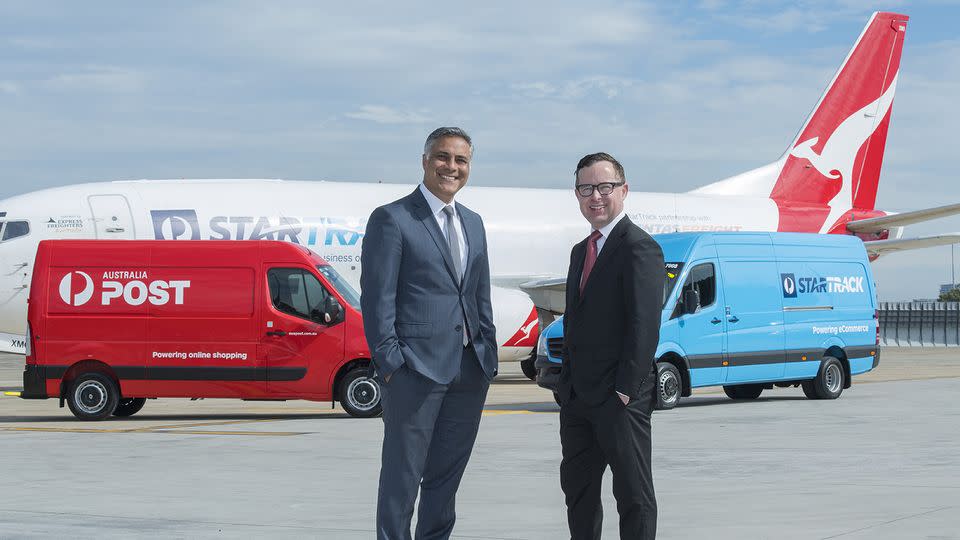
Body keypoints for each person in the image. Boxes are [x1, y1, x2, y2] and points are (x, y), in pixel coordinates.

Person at [360, 127, 497, 540]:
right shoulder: (393, 218)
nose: (451, 167)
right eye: (443, 157)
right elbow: (377, 298)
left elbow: (479, 294)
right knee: (403, 477)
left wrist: (487, 353)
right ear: (425, 160)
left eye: (461, 160)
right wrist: (391, 365)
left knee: (446, 478)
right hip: (414, 372)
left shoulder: (473, 223)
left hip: (468, 370)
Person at [557, 152, 664, 539]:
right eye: (586, 188)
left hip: (620, 399)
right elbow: (574, 322)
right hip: (578, 399)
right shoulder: (578, 252)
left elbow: (644, 326)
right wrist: (565, 385)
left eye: (605, 187)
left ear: (624, 190)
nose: (596, 196)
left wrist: (624, 389)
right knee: (578, 492)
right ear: (577, 194)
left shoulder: (640, 248)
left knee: (633, 496)